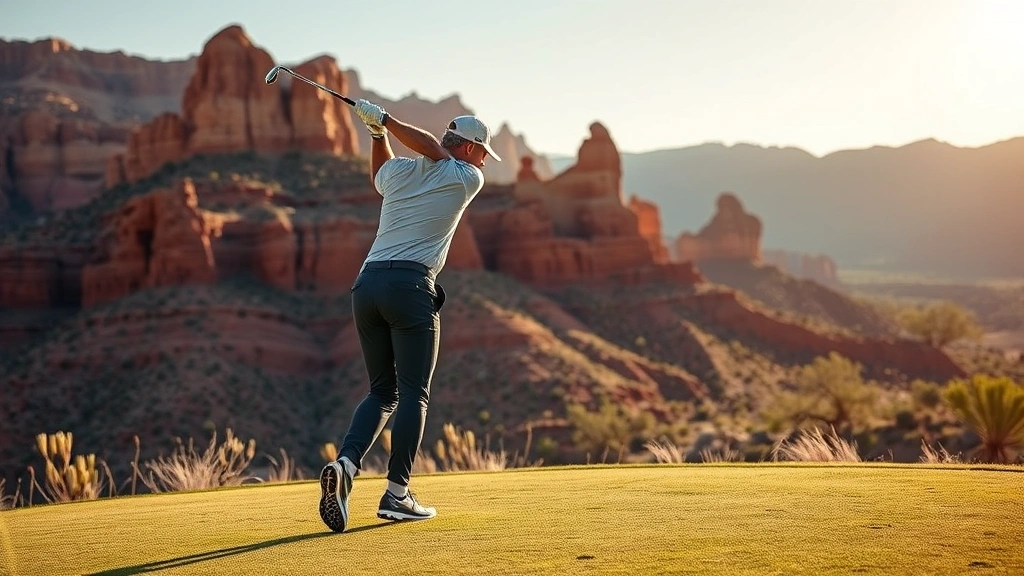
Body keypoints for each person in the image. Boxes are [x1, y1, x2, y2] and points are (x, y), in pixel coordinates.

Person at [318, 97, 501, 533]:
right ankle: (397, 495)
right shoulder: (467, 177)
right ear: (472, 150)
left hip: (367, 285)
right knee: (413, 391)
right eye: (484, 153)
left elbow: (385, 172)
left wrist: (379, 135)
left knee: (382, 391)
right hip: (409, 286)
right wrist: (383, 122)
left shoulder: (404, 172)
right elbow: (433, 150)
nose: (485, 163)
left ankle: (346, 463)